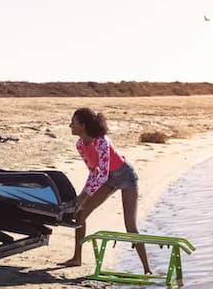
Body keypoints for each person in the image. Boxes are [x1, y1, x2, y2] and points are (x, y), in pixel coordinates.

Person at [59, 107, 152, 275]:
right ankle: (77, 258)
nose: (69, 125)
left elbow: (101, 175)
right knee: (80, 214)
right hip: (108, 178)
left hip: (126, 177)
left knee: (130, 226)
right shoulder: (80, 145)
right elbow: (94, 172)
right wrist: (82, 198)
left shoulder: (102, 142)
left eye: (73, 122)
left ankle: (147, 269)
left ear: (84, 125)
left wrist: (84, 195)